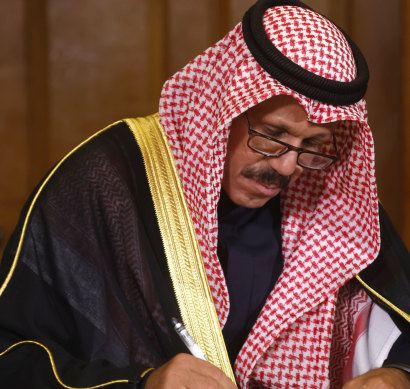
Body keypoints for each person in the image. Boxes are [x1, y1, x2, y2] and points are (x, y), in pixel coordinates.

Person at [0, 0, 409, 388]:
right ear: (220, 108)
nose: (287, 167)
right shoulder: (103, 184)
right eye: (272, 135)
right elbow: (12, 356)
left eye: (313, 144)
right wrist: (142, 383)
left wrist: (398, 373)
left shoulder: (330, 199)